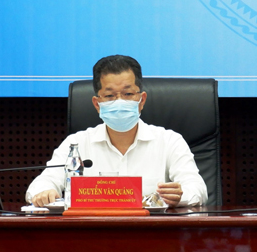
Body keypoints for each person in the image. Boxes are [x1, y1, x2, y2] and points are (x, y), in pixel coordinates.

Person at [26, 55, 208, 207]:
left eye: (128, 94)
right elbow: (41, 185)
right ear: (97, 104)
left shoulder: (169, 141)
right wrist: (45, 193)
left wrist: (179, 196)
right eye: (110, 95)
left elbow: (197, 189)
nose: (119, 102)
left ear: (142, 100)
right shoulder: (77, 144)